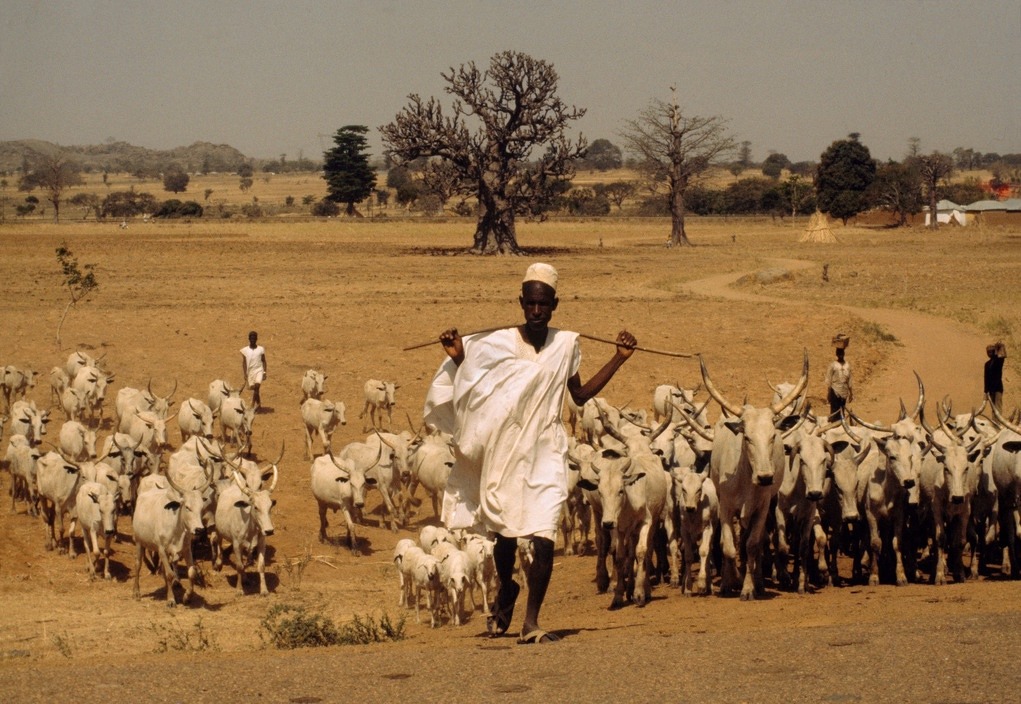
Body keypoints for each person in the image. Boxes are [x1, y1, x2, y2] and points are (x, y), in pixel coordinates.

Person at [423, 263, 636, 644]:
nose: (537, 311)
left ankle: (532, 622)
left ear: (555, 304)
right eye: (531, 304)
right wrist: (458, 356)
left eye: (544, 304)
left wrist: (619, 358)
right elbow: (477, 381)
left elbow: (580, 395)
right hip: (506, 448)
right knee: (505, 534)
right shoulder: (497, 341)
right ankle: (507, 587)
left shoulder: (567, 344)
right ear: (521, 303)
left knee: (543, 534)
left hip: (547, 448)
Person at [240, 330, 267, 409]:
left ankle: (252, 405)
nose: (253, 339)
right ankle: (259, 405)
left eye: (254, 338)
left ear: (256, 339)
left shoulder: (260, 349)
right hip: (250, 372)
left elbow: (264, 361)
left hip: (259, 370)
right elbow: (244, 363)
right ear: (249, 339)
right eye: (251, 338)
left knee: (257, 386)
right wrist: (245, 373)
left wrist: (264, 372)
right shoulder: (245, 350)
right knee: (255, 389)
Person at [825, 344, 852, 420]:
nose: (840, 355)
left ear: (844, 354)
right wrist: (829, 394)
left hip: (844, 392)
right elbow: (829, 380)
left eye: (842, 353)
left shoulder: (847, 365)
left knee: (842, 411)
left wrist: (851, 394)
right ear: (836, 354)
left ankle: (841, 426)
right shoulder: (833, 365)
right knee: (834, 411)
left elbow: (850, 380)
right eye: (839, 353)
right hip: (835, 391)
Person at [985, 341, 1006, 411]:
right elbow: (986, 379)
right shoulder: (987, 364)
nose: (989, 353)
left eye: (991, 351)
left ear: (994, 352)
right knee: (993, 409)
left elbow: (1003, 355)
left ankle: (998, 422)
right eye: (988, 352)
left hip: (998, 389)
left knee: (998, 407)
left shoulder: (998, 361)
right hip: (991, 390)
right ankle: (994, 421)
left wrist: (998, 348)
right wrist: (986, 391)